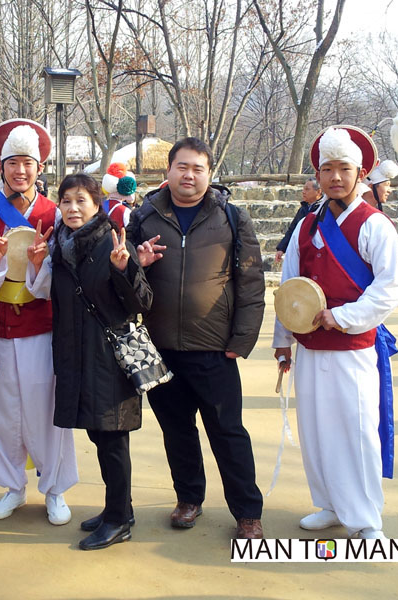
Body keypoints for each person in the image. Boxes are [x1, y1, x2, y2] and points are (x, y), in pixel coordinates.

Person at [127, 136, 266, 540]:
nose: (189, 175)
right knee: (177, 430)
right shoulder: (144, 216)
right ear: (167, 170)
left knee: (228, 432)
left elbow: (252, 283)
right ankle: (189, 499)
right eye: (182, 167)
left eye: (197, 169)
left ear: (209, 174)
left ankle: (247, 512)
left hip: (214, 348)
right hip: (159, 346)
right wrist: (136, 262)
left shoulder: (232, 218)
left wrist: (241, 340)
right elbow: (123, 280)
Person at [272, 126, 398, 539]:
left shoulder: (374, 224)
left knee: (355, 430)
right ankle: (330, 503)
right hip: (310, 348)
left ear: (361, 172)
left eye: (343, 169)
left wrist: (342, 317)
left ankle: (365, 517)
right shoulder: (307, 225)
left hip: (353, 348)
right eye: (326, 169)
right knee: (316, 429)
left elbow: (389, 288)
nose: (334, 177)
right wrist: (283, 343)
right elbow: (289, 287)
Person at [0, 119, 78, 525]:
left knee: (44, 407)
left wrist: (36, 269)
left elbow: (64, 275)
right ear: (1, 166)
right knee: (2, 410)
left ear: (40, 167)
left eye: (27, 163)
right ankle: (12, 486)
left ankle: (55, 488)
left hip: (43, 324)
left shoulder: (56, 212)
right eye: (12, 162)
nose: (20, 171)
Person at [45, 173, 152, 550]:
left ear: (97, 205)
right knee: (98, 434)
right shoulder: (59, 246)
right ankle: (117, 508)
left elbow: (142, 302)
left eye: (81, 201)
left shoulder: (112, 241)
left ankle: (119, 520)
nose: (73, 208)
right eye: (66, 201)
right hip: (77, 354)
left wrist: (124, 270)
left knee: (112, 439)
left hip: (109, 358)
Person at [275, 177, 321, 262]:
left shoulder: (323, 209)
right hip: (301, 251)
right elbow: (292, 229)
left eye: (307, 189)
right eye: (303, 189)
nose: (303, 192)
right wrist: (281, 248)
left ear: (318, 192)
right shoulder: (303, 209)